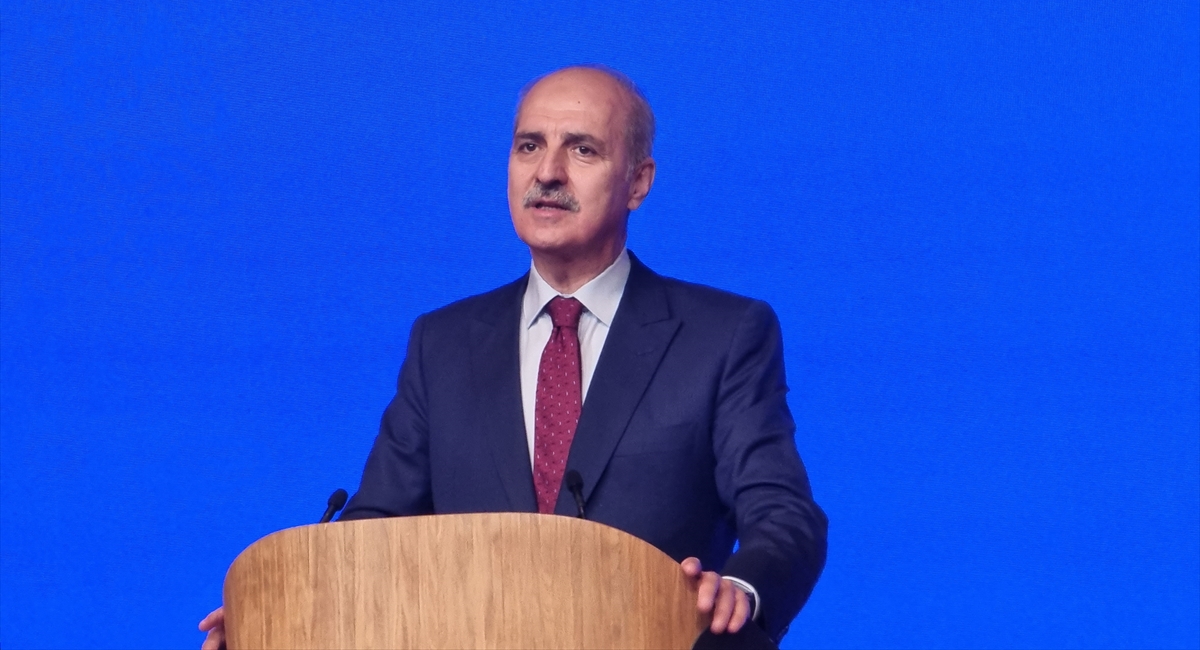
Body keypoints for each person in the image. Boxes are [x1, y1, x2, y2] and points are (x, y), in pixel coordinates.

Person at [200, 65, 827, 650]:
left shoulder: (722, 335)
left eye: (582, 150)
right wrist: (285, 607)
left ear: (638, 182)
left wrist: (739, 590)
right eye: (529, 146)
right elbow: (375, 531)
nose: (547, 172)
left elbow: (784, 516)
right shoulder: (444, 342)